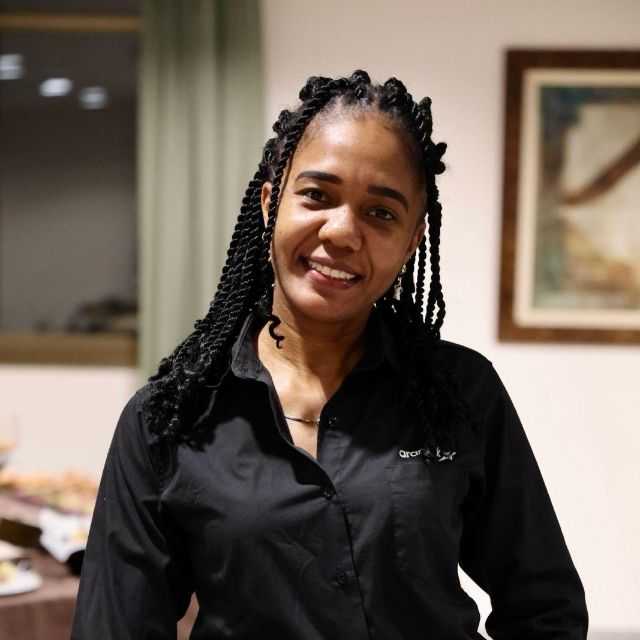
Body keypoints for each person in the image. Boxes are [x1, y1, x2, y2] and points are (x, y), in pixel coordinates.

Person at [71, 70, 588, 639]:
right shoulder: (170, 416)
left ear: (413, 238)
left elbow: (545, 609)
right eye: (317, 195)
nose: (342, 232)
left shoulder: (461, 392)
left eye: (381, 212)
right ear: (270, 202)